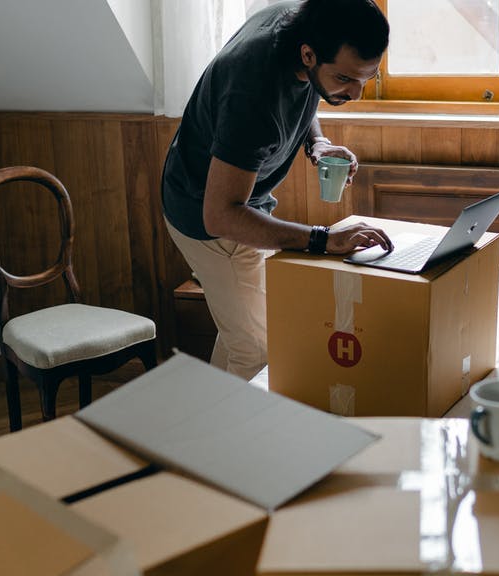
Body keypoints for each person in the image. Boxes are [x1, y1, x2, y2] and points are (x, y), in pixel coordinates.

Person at [161, 0, 393, 380]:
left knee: (245, 334)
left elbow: (303, 91)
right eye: (345, 80)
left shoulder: (300, 24)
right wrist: (323, 239)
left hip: (238, 204)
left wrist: (315, 142)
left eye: (367, 78)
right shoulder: (251, 93)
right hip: (208, 219)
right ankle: (230, 436)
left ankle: (205, 425)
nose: (356, 94)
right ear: (308, 54)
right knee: (258, 352)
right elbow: (220, 215)